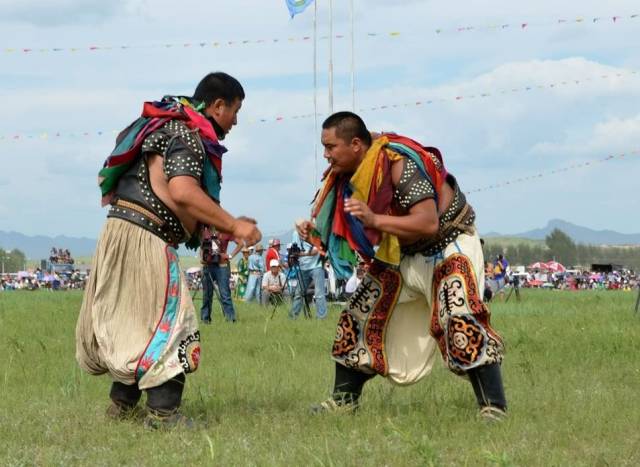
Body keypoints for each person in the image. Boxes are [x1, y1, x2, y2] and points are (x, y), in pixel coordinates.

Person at [75, 72, 261, 429]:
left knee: (136, 323)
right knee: (171, 323)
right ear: (218, 105)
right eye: (235, 111)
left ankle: (122, 405)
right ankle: (163, 413)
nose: (235, 121)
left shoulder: (161, 127)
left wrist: (227, 222)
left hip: (121, 231)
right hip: (145, 237)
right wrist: (235, 226)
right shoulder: (186, 134)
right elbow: (182, 192)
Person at [297, 111, 507, 420]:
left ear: (356, 144)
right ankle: (343, 402)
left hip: (449, 246)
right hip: (402, 252)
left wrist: (375, 219)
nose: (326, 155)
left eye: (330, 147)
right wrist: (314, 233)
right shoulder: (348, 177)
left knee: (459, 316)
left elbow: (428, 222)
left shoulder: (399, 164)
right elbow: (345, 226)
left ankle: (494, 407)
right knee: (359, 313)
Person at [199, 229, 241, 323]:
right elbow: (202, 247)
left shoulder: (225, 230)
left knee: (225, 294)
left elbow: (241, 243)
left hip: (222, 266)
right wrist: (201, 257)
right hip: (208, 265)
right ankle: (205, 319)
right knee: (207, 295)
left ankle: (230, 319)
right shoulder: (205, 231)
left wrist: (230, 255)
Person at [289, 229, 328, 319]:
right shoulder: (295, 233)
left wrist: (302, 254)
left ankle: (321, 318)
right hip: (303, 267)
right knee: (299, 293)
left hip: (316, 266)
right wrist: (293, 255)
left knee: (319, 294)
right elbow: (295, 249)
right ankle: (293, 317)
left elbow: (315, 251)